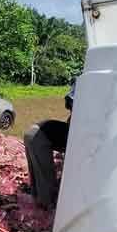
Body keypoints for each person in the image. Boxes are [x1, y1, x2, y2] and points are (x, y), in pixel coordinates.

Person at [24, 78, 76, 210]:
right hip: (38, 137)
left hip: (32, 132)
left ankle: (37, 201)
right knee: (45, 176)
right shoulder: (75, 134)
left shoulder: (73, 127)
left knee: (36, 173)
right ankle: (46, 208)